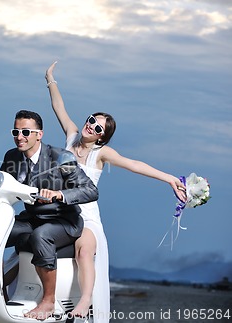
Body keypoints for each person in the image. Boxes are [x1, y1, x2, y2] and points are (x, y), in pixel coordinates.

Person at [45, 61, 187, 321]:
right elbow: (59, 107)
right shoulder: (71, 136)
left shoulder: (102, 153)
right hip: (57, 210)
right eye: (91, 121)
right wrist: (50, 79)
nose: (91, 126)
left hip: (85, 216)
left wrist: (169, 179)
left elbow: (134, 165)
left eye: (98, 128)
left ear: (101, 137)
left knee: (85, 251)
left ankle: (85, 301)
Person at [0, 109, 99, 320]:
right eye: (15, 131)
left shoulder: (59, 157)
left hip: (63, 221)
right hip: (32, 219)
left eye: (26, 132)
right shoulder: (12, 156)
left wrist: (59, 194)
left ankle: (48, 301)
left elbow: (90, 190)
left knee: (41, 236)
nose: (20, 137)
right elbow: (2, 183)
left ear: (39, 134)